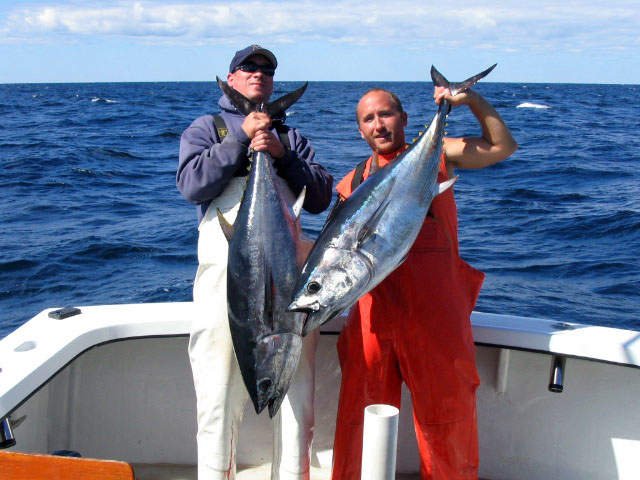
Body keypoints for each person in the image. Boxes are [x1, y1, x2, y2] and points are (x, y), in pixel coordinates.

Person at [330, 85, 517, 479]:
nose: (379, 125)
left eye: (386, 114)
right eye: (369, 119)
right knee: (357, 425)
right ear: (359, 130)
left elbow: (502, 147)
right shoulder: (349, 185)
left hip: (436, 321)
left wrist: (469, 101)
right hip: (371, 320)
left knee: (448, 423)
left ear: (404, 119)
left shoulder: (436, 155)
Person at [176, 45, 333, 480]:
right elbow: (191, 186)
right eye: (249, 67)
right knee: (217, 390)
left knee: (298, 391)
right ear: (231, 78)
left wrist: (281, 155)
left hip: (289, 275)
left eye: (267, 69)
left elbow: (320, 197)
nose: (259, 73)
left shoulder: (291, 137)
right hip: (226, 278)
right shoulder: (207, 127)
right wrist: (243, 136)